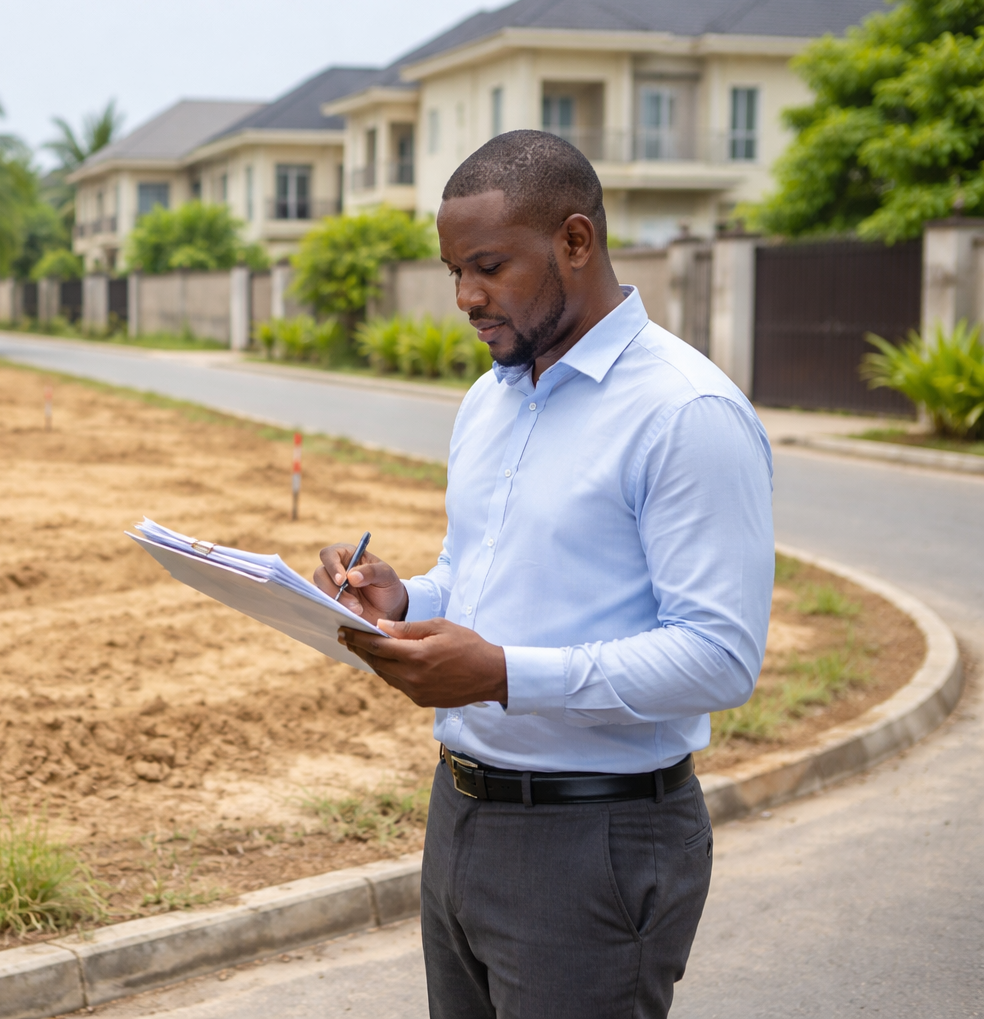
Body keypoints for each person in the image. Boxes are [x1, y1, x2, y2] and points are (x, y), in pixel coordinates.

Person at [312, 130, 774, 1019]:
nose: (464, 297)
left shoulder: (686, 413)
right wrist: (405, 599)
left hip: (596, 837)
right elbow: (480, 578)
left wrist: (505, 675)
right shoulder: (492, 398)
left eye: (486, 266)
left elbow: (720, 656)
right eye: (453, 271)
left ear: (574, 241)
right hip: (461, 814)